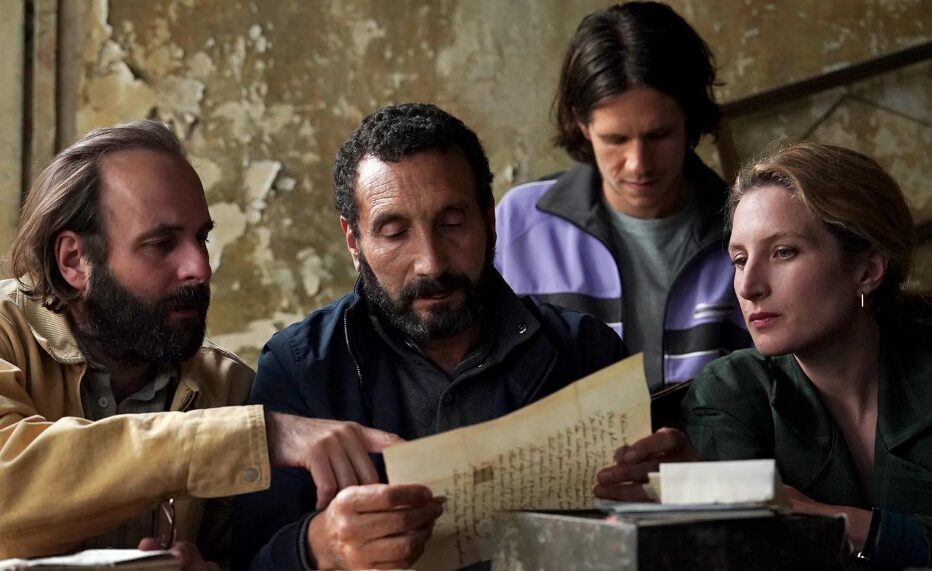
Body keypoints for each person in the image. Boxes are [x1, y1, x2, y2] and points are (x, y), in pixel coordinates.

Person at [232, 103, 626, 570]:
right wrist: (320, 545)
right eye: (395, 233)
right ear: (353, 243)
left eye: (452, 224)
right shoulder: (299, 369)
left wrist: (660, 493)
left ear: (489, 218)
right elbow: (245, 559)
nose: (431, 264)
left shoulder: (586, 351)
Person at [0, 121, 399, 566]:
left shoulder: (227, 388)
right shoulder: (4, 333)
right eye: (161, 243)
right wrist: (253, 437)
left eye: (201, 238)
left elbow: (245, 556)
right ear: (74, 260)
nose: (200, 267)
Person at [598, 143, 931, 567]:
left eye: (783, 252)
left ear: (866, 270)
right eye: (739, 259)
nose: (748, 285)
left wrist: (849, 523)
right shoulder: (730, 391)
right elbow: (751, 540)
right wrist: (690, 491)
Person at [494, 1, 749, 392]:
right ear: (582, 125)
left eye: (658, 135)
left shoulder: (750, 227)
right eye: (615, 139)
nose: (638, 164)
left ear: (690, 119)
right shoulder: (519, 222)